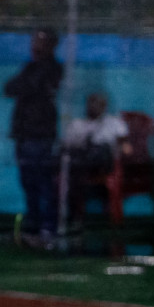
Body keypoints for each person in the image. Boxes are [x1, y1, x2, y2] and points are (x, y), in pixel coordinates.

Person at [3, 29, 63, 243]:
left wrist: (25, 86)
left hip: (40, 134)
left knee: (42, 181)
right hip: (24, 134)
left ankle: (47, 226)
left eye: (40, 42)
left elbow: (29, 87)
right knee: (29, 181)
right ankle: (34, 225)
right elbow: (10, 88)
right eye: (34, 41)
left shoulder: (53, 68)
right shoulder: (30, 67)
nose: (35, 47)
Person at [62, 92, 130, 220]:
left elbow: (125, 148)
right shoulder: (77, 125)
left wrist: (122, 149)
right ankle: (74, 218)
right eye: (91, 103)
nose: (93, 107)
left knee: (102, 149)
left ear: (104, 106)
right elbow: (67, 146)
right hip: (81, 167)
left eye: (98, 104)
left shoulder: (113, 123)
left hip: (105, 166)